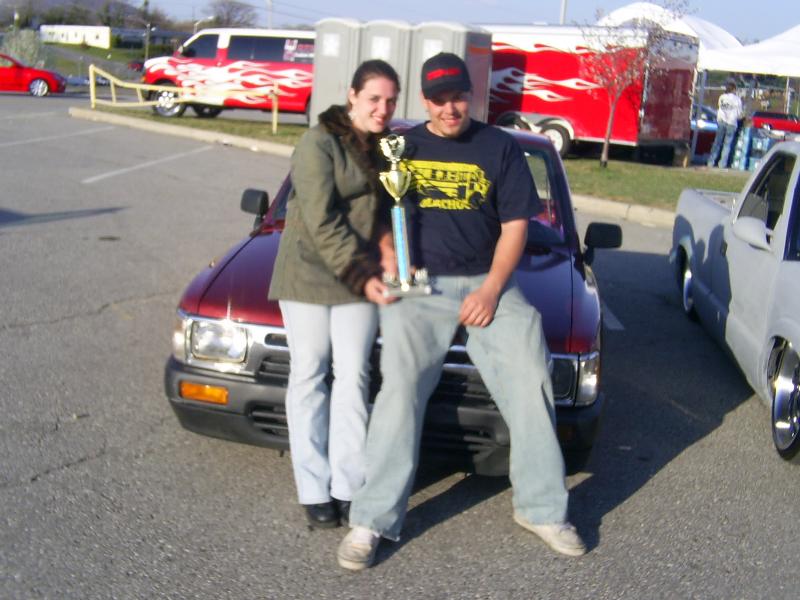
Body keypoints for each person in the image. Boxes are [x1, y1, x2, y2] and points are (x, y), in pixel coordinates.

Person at [336, 52, 586, 571]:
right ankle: (372, 519)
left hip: (487, 281)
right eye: (439, 99)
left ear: (471, 96)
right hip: (419, 287)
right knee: (400, 387)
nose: (449, 108)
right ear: (424, 100)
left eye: (458, 97)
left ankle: (542, 509)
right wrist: (389, 255)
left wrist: (492, 290)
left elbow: (516, 226)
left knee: (531, 375)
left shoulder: (500, 147)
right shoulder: (400, 146)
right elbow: (374, 212)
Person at [268, 60, 398, 529]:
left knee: (354, 377)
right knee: (309, 374)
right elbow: (321, 220)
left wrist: (389, 249)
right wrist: (364, 275)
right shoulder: (317, 143)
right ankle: (313, 488)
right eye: (374, 98)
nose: (382, 109)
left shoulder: (386, 147)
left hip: (358, 275)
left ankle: (348, 484)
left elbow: (384, 210)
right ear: (352, 96)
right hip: (308, 273)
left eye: (390, 101)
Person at [707, 80, 743, 169]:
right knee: (727, 144)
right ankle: (722, 163)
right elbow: (739, 113)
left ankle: (711, 161)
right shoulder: (737, 99)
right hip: (731, 122)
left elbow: (720, 106)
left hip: (721, 120)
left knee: (717, 142)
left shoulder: (722, 97)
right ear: (734, 89)